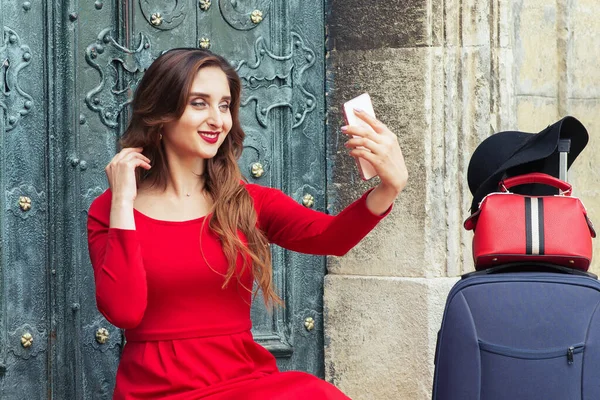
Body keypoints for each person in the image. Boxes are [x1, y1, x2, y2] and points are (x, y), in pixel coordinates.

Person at [87, 48, 408, 400]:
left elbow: (330, 237)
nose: (218, 120)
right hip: (158, 390)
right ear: (161, 113)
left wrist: (388, 188)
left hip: (244, 382)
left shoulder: (246, 201)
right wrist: (122, 201)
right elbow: (123, 310)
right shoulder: (111, 210)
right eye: (199, 103)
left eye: (224, 105)